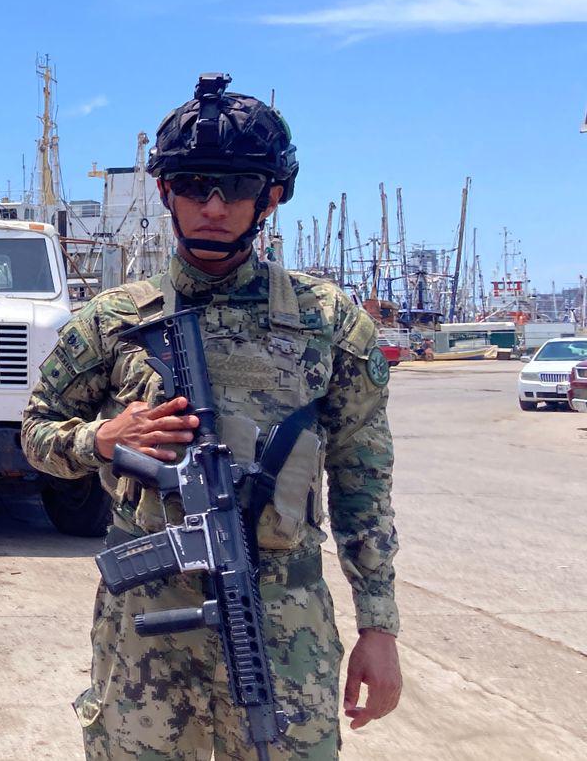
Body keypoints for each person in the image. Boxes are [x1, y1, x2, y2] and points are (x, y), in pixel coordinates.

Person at [22, 73, 402, 759]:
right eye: (195, 184)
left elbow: (361, 481)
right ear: (167, 191)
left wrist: (379, 626)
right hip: (147, 642)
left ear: (273, 196)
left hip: (283, 632)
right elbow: (36, 431)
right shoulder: (112, 323)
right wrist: (100, 439)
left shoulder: (328, 324)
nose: (215, 206)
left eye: (238, 187)